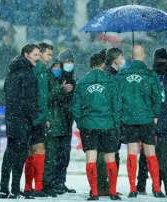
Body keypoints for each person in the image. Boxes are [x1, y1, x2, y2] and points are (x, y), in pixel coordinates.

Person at [136, 48, 167, 194]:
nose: (160, 64)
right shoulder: (147, 77)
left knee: (162, 157)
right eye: (158, 61)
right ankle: (141, 184)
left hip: (166, 123)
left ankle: (157, 185)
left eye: (163, 61)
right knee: (145, 156)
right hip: (149, 121)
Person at [117, 45, 165, 198]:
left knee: (132, 153)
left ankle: (132, 189)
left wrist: (122, 114)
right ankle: (156, 188)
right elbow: (158, 97)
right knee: (150, 153)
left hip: (129, 119)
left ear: (131, 57)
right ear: (143, 56)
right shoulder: (150, 74)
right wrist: (156, 114)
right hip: (146, 118)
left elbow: (117, 97)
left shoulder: (122, 74)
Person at [72, 53, 121, 201]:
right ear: (103, 65)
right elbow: (117, 105)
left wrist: (81, 124)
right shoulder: (110, 81)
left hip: (89, 125)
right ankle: (112, 192)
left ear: (90, 65)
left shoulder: (82, 82)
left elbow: (76, 107)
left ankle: (94, 192)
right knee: (110, 159)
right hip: (108, 125)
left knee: (91, 159)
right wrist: (114, 123)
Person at [0, 44, 41, 199]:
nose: (38, 57)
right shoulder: (28, 73)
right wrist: (33, 117)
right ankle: (15, 190)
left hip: (11, 116)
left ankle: (4, 189)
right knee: (21, 154)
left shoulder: (11, 71)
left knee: (9, 153)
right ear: (27, 55)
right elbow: (29, 100)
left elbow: (7, 93)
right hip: (23, 119)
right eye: (36, 54)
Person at [43, 49, 76, 196]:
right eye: (67, 62)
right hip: (55, 121)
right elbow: (46, 98)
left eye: (71, 62)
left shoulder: (71, 78)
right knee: (52, 156)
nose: (70, 64)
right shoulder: (51, 76)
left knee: (64, 156)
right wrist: (61, 90)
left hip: (66, 122)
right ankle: (48, 184)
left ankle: (60, 182)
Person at [23, 42, 53, 197]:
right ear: (40, 54)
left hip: (28, 116)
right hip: (37, 116)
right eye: (48, 54)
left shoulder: (30, 69)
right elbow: (42, 96)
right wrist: (44, 116)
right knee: (39, 150)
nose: (50, 58)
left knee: (29, 152)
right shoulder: (41, 70)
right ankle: (38, 187)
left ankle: (28, 187)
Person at [96, 47, 126, 196]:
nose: (123, 60)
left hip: (104, 118)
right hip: (112, 120)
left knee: (105, 153)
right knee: (110, 153)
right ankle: (106, 185)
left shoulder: (105, 73)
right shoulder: (114, 76)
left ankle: (103, 185)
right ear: (115, 59)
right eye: (121, 57)